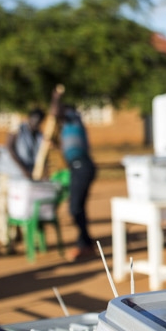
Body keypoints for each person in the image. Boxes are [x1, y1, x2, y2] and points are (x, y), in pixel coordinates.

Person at [59, 105, 97, 262]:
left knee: (75, 207)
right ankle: (86, 242)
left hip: (82, 166)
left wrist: (56, 97)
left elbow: (56, 111)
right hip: (79, 167)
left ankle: (84, 244)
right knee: (78, 207)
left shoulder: (73, 120)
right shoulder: (70, 127)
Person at [6, 108, 44, 179]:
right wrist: (23, 169)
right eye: (34, 120)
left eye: (38, 121)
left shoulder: (39, 135)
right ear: (29, 118)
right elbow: (10, 148)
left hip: (31, 171)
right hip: (15, 172)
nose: (35, 123)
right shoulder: (18, 129)